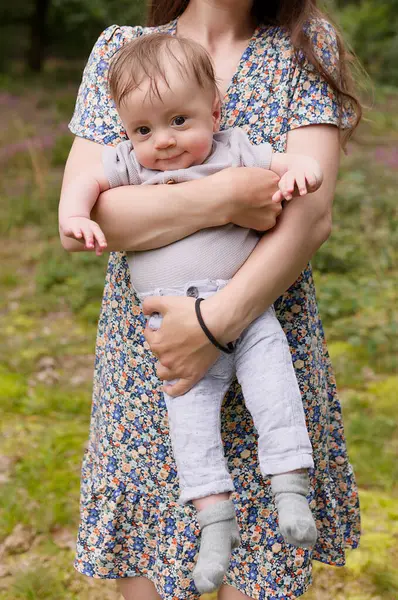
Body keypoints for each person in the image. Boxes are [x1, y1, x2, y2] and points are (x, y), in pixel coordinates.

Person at [61, 1, 362, 599]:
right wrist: (227, 196)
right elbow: (98, 216)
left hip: (261, 323)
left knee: (262, 568)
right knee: (152, 564)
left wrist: (213, 324)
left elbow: (310, 215)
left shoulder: (303, 46)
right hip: (152, 359)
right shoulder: (123, 50)